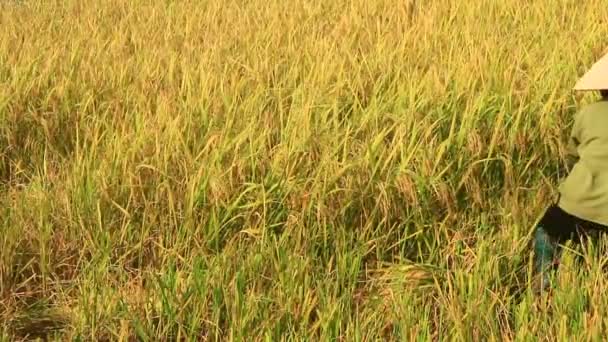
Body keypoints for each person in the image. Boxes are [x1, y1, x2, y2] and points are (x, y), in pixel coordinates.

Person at [532, 51, 608, 294]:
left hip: (578, 203)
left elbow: (572, 156)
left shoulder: (587, 114)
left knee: (546, 232)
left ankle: (544, 285)